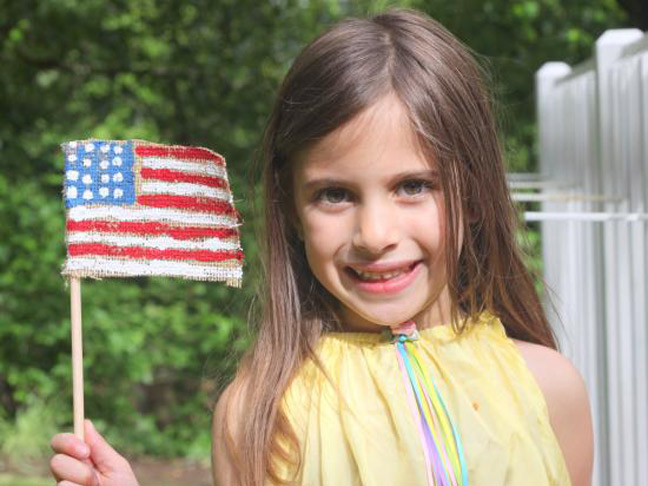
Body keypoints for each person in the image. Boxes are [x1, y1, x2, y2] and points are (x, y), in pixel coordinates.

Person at [49, 7, 594, 486]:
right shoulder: (260, 417)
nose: (375, 235)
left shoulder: (548, 389)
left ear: (472, 194)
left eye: (413, 186)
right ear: (290, 206)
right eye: (335, 194)